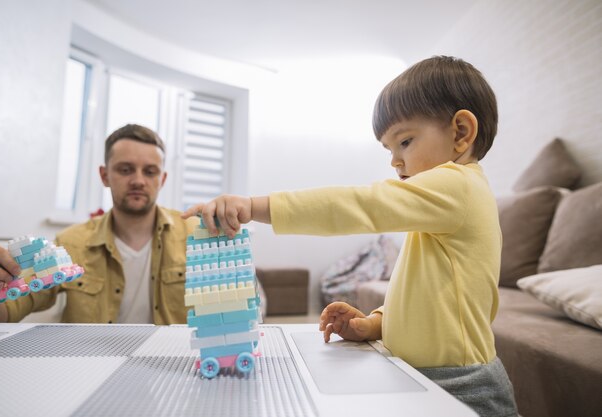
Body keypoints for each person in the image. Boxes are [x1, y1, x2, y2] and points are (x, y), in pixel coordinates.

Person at [182, 56, 518, 417]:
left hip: (461, 385)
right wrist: (376, 322)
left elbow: (359, 205)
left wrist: (256, 206)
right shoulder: (445, 206)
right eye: (389, 149)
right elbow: (434, 297)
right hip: (425, 376)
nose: (395, 161)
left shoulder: (459, 185)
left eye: (405, 141)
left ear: (461, 132)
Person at [0, 124, 199, 324]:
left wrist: (230, 221)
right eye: (125, 169)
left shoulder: (197, 235)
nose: (138, 181)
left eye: (150, 172)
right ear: (104, 175)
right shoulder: (71, 243)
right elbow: (5, 313)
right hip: (91, 366)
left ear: (163, 179)